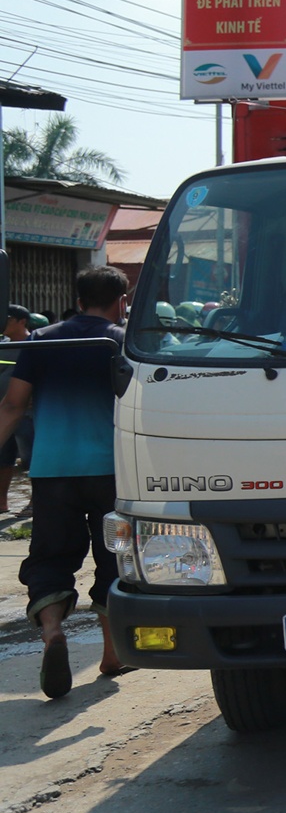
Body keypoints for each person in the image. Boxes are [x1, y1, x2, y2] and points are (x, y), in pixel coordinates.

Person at [0, 267, 132, 698]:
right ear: (121, 301)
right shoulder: (121, 340)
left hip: (52, 470)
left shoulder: (41, 340)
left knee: (51, 557)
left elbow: (13, 404)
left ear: (77, 300)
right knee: (115, 557)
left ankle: (54, 630)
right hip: (113, 471)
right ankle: (113, 653)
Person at [0, 304, 31, 513]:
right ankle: (2, 503)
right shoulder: (3, 346)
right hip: (4, 411)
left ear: (22, 321)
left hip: (29, 413)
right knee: (4, 458)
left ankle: (34, 502)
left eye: (8, 318)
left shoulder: (36, 344)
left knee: (32, 460)